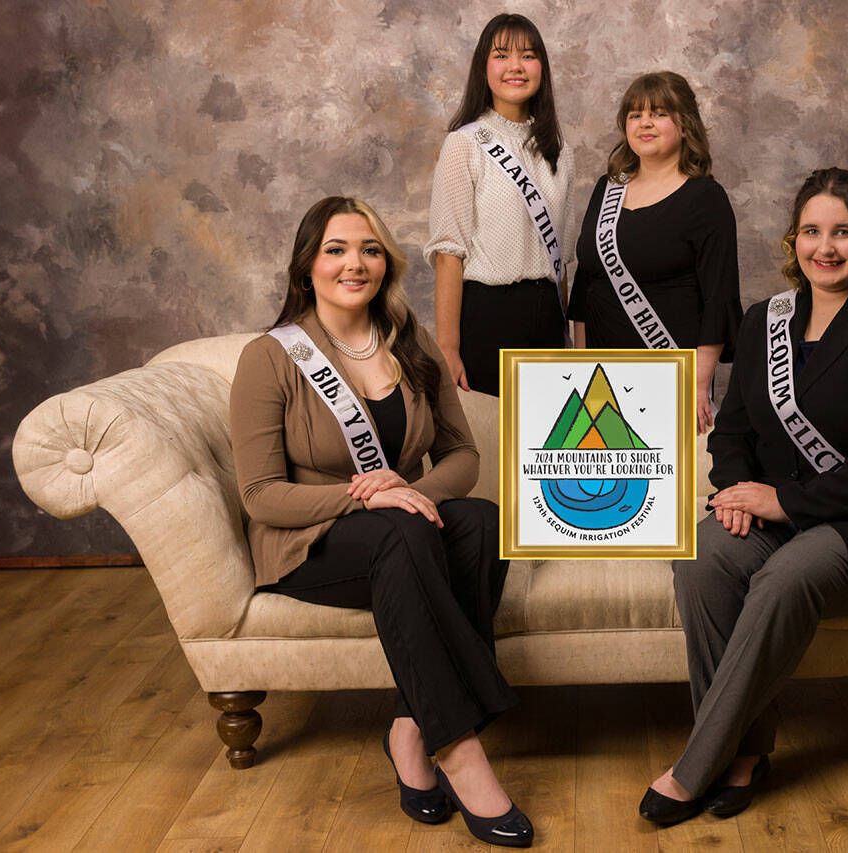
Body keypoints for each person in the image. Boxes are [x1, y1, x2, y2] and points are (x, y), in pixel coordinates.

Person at [639, 168, 848, 825]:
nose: (824, 248)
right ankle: (745, 752)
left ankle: (696, 766)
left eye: (842, 232)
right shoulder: (763, 321)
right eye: (811, 231)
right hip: (779, 511)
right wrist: (733, 493)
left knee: (786, 574)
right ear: (793, 239)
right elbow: (733, 432)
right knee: (703, 557)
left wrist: (784, 502)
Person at [230, 197, 533, 847]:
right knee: (404, 527)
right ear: (307, 266)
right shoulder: (270, 356)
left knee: (480, 521)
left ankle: (409, 726)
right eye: (335, 249)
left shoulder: (411, 343)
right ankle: (460, 747)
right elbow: (259, 495)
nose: (355, 263)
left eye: (369, 249)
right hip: (308, 544)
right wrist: (366, 498)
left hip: (400, 532)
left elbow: (462, 455)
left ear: (386, 263)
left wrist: (410, 493)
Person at [568, 71, 741, 433]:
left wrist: (697, 383)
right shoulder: (607, 188)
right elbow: (587, 284)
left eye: (659, 113)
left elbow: (719, 298)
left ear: (685, 125)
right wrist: (582, 367)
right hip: (601, 378)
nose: (645, 123)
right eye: (635, 115)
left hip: (670, 373)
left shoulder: (705, 197)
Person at [426, 13, 580, 397]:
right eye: (501, 55)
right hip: (487, 317)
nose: (515, 66)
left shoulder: (560, 152)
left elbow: (561, 260)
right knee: (495, 432)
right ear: (484, 67)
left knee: (550, 433)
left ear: (542, 67)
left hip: (548, 319)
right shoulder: (464, 144)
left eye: (528, 55)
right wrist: (448, 348)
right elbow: (449, 254)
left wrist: (566, 336)